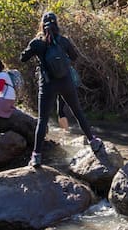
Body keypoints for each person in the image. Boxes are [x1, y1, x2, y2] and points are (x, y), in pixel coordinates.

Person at [20, 12, 104, 167]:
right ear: (56, 24)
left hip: (47, 84)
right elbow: (74, 57)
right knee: (78, 112)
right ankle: (93, 142)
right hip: (66, 82)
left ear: (42, 25)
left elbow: (23, 58)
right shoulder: (63, 41)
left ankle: (36, 156)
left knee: (43, 120)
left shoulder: (37, 43)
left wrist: (35, 52)